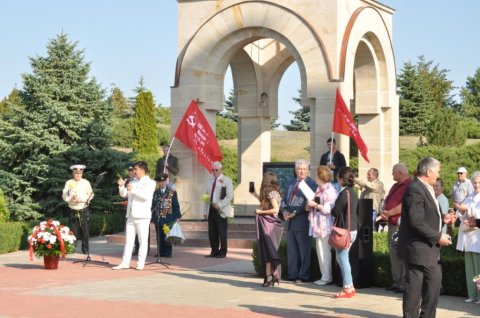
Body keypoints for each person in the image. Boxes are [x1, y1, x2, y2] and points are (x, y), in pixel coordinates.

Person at [398, 157, 453, 318]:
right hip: (417, 249)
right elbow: (417, 222)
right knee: (414, 290)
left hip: (427, 250)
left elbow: (426, 216)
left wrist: (444, 218)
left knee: (434, 285)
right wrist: (438, 237)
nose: (439, 174)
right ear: (429, 171)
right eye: (438, 171)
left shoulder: (425, 187)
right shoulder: (415, 188)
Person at [113, 161, 156, 270]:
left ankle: (140, 263)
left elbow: (145, 196)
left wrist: (133, 189)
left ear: (142, 170)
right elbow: (124, 194)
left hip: (142, 216)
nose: (134, 172)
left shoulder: (150, 182)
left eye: (136, 169)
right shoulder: (134, 181)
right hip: (131, 215)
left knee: (142, 240)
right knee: (129, 241)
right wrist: (122, 186)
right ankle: (125, 262)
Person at [280, 159, 317, 282]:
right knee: (292, 251)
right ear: (296, 170)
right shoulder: (290, 182)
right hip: (289, 222)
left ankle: (304, 275)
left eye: (304, 169)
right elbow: (284, 198)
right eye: (299, 169)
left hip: (302, 221)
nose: (302, 171)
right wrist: (284, 211)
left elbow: (308, 202)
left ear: (308, 170)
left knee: (304, 251)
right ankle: (292, 274)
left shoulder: (311, 184)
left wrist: (294, 213)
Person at [306, 165, 338, 286]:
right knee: (321, 250)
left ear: (321, 176)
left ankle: (326, 276)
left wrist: (314, 205)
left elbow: (328, 209)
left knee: (324, 250)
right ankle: (324, 275)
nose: (315, 177)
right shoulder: (320, 189)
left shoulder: (330, 190)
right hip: (318, 224)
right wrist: (310, 205)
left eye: (316, 175)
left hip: (325, 224)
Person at [250, 171, 283, 287]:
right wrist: (255, 194)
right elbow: (268, 204)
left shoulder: (272, 193)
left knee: (269, 251)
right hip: (271, 224)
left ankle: (270, 276)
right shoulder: (273, 192)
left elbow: (275, 209)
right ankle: (269, 276)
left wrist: (261, 212)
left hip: (270, 224)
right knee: (268, 251)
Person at [382, 163, 411, 293]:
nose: (392, 175)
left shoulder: (409, 185)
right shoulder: (395, 186)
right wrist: (383, 211)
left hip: (401, 225)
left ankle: (404, 283)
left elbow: (404, 205)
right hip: (392, 223)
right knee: (394, 253)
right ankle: (396, 281)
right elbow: (388, 200)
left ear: (399, 173)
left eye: (393, 173)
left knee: (402, 254)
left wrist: (389, 213)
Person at [331, 166, 359, 298]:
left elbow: (335, 211)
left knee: (343, 259)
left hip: (344, 231)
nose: (337, 179)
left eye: (338, 177)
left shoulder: (344, 193)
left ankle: (347, 287)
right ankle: (350, 285)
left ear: (342, 179)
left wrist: (330, 206)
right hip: (352, 229)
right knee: (341, 258)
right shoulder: (352, 192)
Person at [455, 171, 480, 304]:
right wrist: (459, 210)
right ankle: (472, 294)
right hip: (467, 237)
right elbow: (460, 213)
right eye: (475, 182)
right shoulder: (470, 196)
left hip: (477, 238)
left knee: (478, 269)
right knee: (470, 269)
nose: (476, 185)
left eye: (479, 183)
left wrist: (468, 209)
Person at [62, 164, 94, 254]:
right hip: (72, 208)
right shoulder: (69, 183)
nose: (78, 175)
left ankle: (85, 249)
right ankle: (72, 248)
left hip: (83, 208)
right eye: (76, 173)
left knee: (85, 230)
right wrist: (70, 199)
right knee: (72, 230)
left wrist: (83, 200)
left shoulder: (86, 182)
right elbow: (64, 195)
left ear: (82, 173)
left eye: (80, 173)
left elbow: (91, 194)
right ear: (73, 173)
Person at [204, 161, 234, 258]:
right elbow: (206, 197)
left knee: (222, 232)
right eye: (213, 170)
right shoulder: (209, 181)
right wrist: (205, 211)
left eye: (216, 170)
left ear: (221, 170)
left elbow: (230, 196)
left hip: (221, 210)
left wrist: (220, 205)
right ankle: (214, 250)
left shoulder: (227, 180)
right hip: (211, 209)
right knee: (212, 232)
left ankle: (223, 251)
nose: (214, 172)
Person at [151, 173, 181, 258]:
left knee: (167, 236)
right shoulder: (156, 192)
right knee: (159, 236)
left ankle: (168, 252)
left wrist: (177, 217)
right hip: (158, 218)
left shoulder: (172, 192)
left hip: (168, 218)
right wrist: (153, 217)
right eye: (160, 181)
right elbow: (153, 205)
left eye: (163, 181)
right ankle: (160, 252)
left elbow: (176, 205)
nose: (162, 183)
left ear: (166, 181)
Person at [119, 162, 143, 256]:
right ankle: (132, 249)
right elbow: (124, 194)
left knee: (141, 235)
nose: (130, 172)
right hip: (129, 209)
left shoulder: (141, 181)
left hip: (140, 210)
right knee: (130, 233)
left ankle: (140, 249)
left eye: (132, 170)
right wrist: (121, 186)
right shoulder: (128, 181)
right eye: (129, 171)